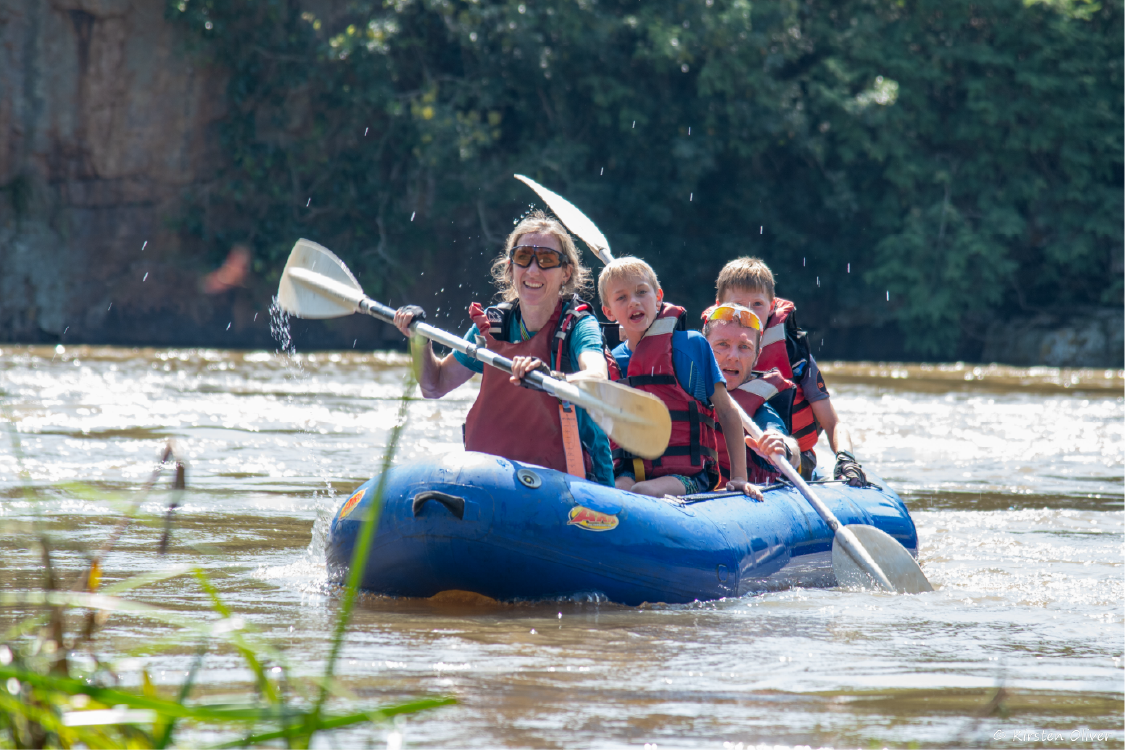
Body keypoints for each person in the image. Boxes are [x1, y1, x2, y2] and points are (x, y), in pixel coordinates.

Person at [393, 211, 613, 485]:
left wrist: (552, 379)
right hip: (499, 481)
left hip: (572, 486)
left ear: (565, 272)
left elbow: (597, 377)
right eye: (523, 257)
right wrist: (419, 339)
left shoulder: (579, 325)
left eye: (546, 260)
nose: (533, 270)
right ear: (511, 268)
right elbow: (434, 385)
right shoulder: (493, 325)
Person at [598, 257, 756, 499]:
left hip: (690, 476)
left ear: (658, 297)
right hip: (633, 473)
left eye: (642, 292)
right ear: (608, 312)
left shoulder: (691, 346)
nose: (634, 302)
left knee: (642, 491)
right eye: (622, 298)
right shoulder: (614, 362)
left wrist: (738, 478)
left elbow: (726, 411)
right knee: (615, 491)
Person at [711, 257, 866, 485]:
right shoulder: (706, 348)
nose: (748, 313)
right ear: (719, 306)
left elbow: (833, 423)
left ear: (772, 306)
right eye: (739, 305)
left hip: (791, 457)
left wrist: (846, 459)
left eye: (757, 304)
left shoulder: (795, 357)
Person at [702, 303, 800, 487]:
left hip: (733, 496)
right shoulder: (679, 391)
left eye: (744, 347)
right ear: (703, 348)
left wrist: (783, 447)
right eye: (722, 345)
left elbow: (790, 448)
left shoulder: (759, 409)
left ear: (756, 357)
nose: (733, 356)